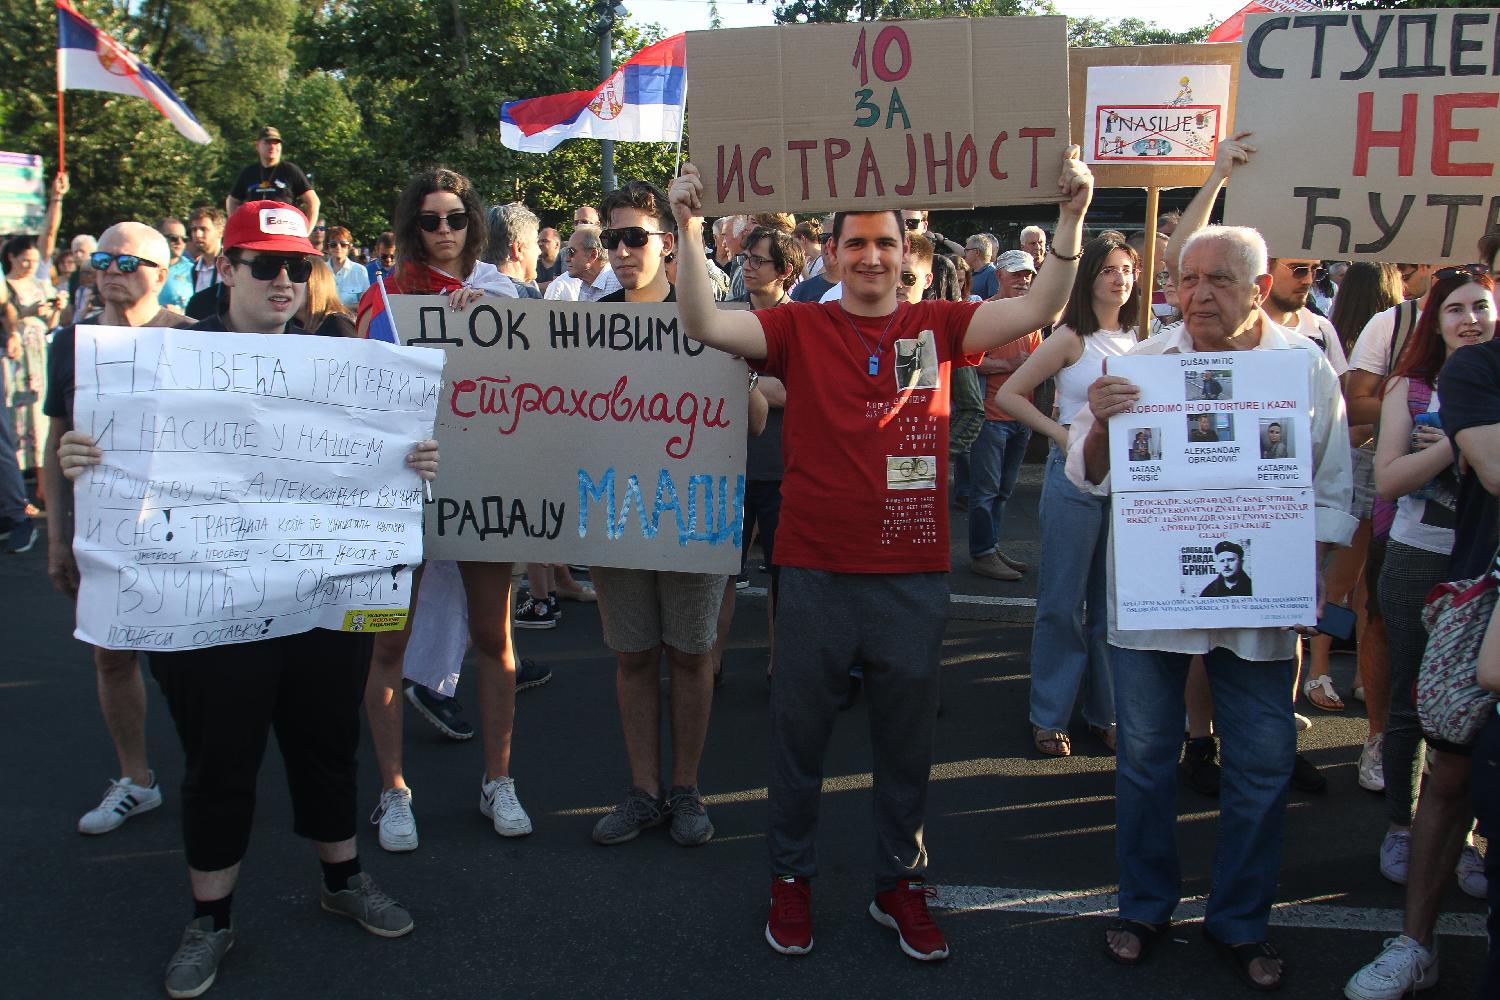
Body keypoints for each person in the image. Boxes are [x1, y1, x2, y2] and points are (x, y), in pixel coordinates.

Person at [668, 147, 1094, 961]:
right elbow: (703, 323)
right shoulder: (798, 326)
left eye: (886, 244)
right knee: (799, 740)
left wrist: (1071, 218)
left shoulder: (938, 326)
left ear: (908, 256)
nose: (871, 257)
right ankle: (790, 878)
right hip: (817, 570)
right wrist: (688, 228)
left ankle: (899, 882)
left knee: (906, 743)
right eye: (856, 243)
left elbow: (1042, 298)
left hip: (912, 576)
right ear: (831, 254)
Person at [56, 202, 436, 998]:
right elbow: (109, 457)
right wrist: (78, 452)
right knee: (219, 760)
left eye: (298, 266)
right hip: (205, 604)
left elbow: (381, 457)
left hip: (321, 597)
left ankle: (342, 879)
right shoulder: (166, 357)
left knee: (327, 742)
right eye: (265, 265)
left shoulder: (338, 360)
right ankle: (212, 919)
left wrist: (414, 457)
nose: (284, 281)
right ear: (224, 268)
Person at [1075, 224, 1354, 992]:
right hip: (1151, 596)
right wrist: (1100, 419)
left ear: (1259, 289)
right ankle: (1145, 906)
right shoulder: (1142, 367)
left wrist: (1316, 572)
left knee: (1261, 765)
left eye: (1219, 280)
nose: (1197, 295)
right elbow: (1089, 477)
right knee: (1144, 758)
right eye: (1185, 279)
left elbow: (1334, 483)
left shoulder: (1302, 369)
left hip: (1261, 607)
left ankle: (1238, 921)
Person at [355, 167, 529, 854]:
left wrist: (482, 327)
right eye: (431, 220)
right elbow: (363, 392)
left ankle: (499, 779)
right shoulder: (386, 299)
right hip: (404, 484)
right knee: (387, 644)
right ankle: (394, 791)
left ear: (473, 223)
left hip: (483, 476)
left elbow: (532, 385)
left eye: (456, 218)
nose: (446, 232)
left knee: (495, 637)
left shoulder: (501, 293)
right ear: (411, 228)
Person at [1345, 265, 1495, 1000]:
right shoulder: (1423, 387)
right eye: (1456, 309)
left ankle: (1479, 844)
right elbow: (1393, 477)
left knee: (1474, 744)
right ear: (1433, 324)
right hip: (1428, 562)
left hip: (1477, 569)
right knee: (1419, 707)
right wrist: (1459, 441)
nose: (1470, 319)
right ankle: (1405, 832)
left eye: (1481, 306)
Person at [581, 180, 723, 851]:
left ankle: (687, 789)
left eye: (635, 236)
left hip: (694, 513)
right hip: (616, 512)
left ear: (666, 243)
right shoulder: (587, 326)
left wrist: (742, 382)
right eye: (612, 238)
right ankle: (644, 791)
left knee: (691, 657)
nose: (622, 249)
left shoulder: (712, 317)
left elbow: (748, 416)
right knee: (634, 657)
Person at [43, 221, 193, 836]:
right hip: (104, 532)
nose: (110, 269)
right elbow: (56, 445)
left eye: (127, 261)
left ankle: (213, 774)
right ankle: (136, 779)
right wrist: (56, 537)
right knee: (111, 658)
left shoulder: (195, 338)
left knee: (191, 664)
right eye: (101, 258)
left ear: (161, 271)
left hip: (185, 532)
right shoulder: (69, 344)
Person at [997, 233, 1140, 759]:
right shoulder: (1070, 338)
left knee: (1113, 605)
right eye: (1109, 269)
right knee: (1062, 603)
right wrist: (1060, 435)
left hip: (1129, 486)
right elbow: (1012, 394)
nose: (1120, 278)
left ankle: (1106, 712)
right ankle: (1049, 714)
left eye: (1127, 269)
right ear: (1090, 278)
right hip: (1074, 480)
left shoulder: (1147, 339)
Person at [1318, 262, 1403, 780]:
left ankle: (1340, 673)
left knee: (1364, 582)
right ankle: (1323, 668)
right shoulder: (1365, 338)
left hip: (1374, 466)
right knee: (1346, 577)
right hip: (1362, 465)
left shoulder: (1344, 329)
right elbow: (1350, 415)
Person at [968, 249, 1040, 582]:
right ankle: (983, 553)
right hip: (991, 417)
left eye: (1027, 274)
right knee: (985, 492)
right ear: (999, 276)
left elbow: (1038, 364)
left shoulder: (1032, 319)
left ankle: (991, 548)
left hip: (1019, 419)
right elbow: (968, 361)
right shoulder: (984, 313)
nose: (1023, 280)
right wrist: (1008, 366)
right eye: (1016, 274)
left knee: (1003, 492)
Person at [3, 237, 64, 479]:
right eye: (25, 260)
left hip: (40, 352)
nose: (29, 265)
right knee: (16, 411)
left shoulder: (41, 284)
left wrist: (56, 308)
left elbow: (51, 324)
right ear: (12, 257)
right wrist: (26, 313)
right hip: (16, 353)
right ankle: (17, 476)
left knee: (41, 411)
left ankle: (41, 478)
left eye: (34, 261)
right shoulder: (5, 286)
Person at [226, 126, 320, 224]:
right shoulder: (249, 172)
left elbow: (313, 201)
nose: (272, 147)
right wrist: (237, 225)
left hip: (283, 231)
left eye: (276, 143)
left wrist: (306, 231)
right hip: (256, 230)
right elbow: (231, 201)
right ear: (257, 145)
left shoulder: (290, 170)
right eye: (267, 142)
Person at [542, 224, 622, 302]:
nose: (567, 259)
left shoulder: (619, 284)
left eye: (571, 252)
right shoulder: (585, 286)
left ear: (593, 255)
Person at [484, 202, 542, 297]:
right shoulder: (528, 295)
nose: (539, 251)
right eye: (535, 242)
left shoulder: (465, 291)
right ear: (518, 249)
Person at [185, 207, 227, 321]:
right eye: (194, 229)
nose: (197, 234)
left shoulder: (231, 266)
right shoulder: (194, 269)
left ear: (220, 232)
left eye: (203, 229)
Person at [298, 259, 357, 337]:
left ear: (314, 286)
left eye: (296, 278)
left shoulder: (337, 324)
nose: (286, 285)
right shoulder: (290, 323)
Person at [325, 225, 370, 308]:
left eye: (343, 244)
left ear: (349, 247)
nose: (338, 247)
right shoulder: (321, 270)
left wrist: (341, 308)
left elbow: (365, 304)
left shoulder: (360, 271)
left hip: (351, 319)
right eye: (333, 244)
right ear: (328, 248)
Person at [156, 218, 194, 312]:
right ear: (158, 238)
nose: (180, 243)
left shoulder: (193, 270)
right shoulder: (143, 267)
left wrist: (181, 312)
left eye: (184, 239)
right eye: (174, 238)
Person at [964, 235, 998, 300]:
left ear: (977, 252)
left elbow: (995, 302)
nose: (965, 254)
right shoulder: (970, 273)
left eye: (967, 250)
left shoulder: (992, 273)